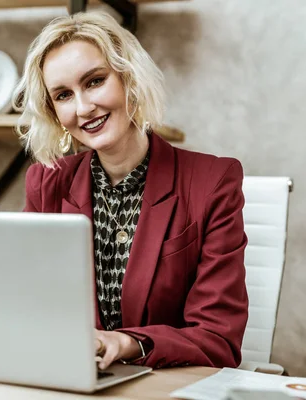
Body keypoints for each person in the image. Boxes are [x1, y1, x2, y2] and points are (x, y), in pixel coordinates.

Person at [13, 11, 248, 371]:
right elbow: (28, 305)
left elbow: (218, 340)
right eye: (63, 95)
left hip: (161, 383)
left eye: (94, 82)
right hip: (74, 381)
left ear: (129, 78)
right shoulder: (45, 183)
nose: (82, 108)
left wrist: (127, 343)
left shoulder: (213, 181)